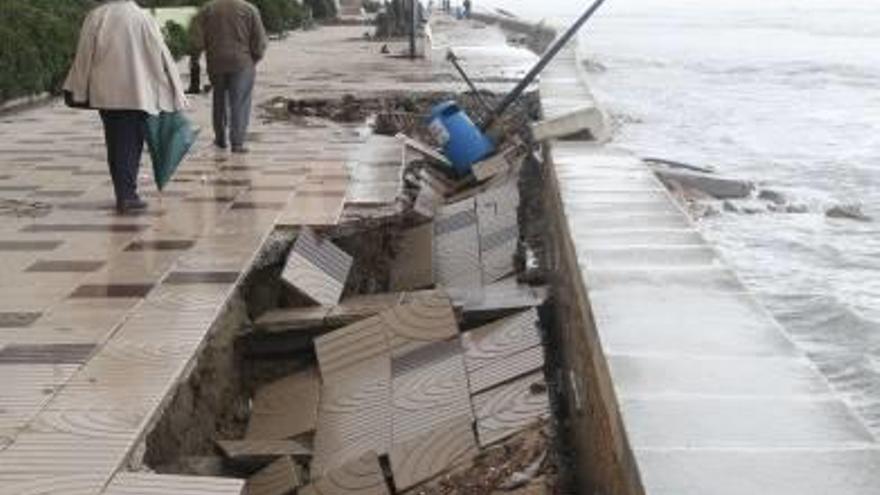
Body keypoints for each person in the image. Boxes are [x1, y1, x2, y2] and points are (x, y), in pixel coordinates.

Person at [63, 0, 187, 214]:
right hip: (140, 91)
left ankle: (126, 193)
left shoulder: (97, 16)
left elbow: (83, 57)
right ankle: (127, 195)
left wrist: (76, 87)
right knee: (132, 143)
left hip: (108, 92)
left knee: (117, 143)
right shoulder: (143, 17)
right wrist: (174, 91)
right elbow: (161, 55)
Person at [192, 0, 268, 154]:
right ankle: (237, 143)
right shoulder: (249, 9)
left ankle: (220, 139)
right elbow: (259, 40)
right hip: (242, 62)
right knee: (239, 102)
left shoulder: (207, 9)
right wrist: (255, 59)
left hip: (216, 61)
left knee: (219, 100)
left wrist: (197, 59)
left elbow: (197, 41)